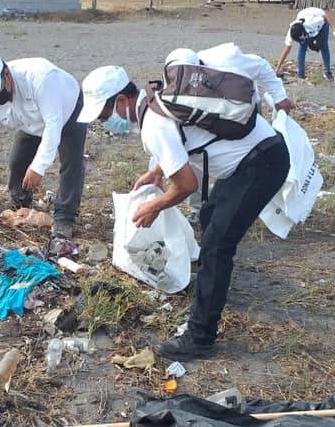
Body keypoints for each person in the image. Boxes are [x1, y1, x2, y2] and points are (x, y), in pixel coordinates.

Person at [77, 44, 292, 361]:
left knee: (218, 244)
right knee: (209, 215)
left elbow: (186, 185)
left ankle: (200, 337)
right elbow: (186, 138)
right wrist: (155, 171)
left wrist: (155, 206)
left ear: (121, 101)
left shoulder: (152, 124)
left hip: (262, 165)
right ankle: (212, 290)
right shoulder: (159, 95)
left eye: (105, 113)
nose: (105, 122)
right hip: (258, 155)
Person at [0, 52, 87, 239]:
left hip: (67, 110)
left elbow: (53, 124)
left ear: (6, 74)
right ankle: (20, 205)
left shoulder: (40, 78)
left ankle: (65, 218)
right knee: (17, 162)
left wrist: (39, 166)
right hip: (29, 121)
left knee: (71, 162)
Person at [274, 7, 335, 82]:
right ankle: (301, 74)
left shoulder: (314, 22)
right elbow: (286, 50)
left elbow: (326, 16)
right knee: (302, 48)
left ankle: (327, 72)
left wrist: (334, 29)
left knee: (324, 46)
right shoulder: (292, 32)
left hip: (321, 22)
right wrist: (277, 68)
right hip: (306, 20)